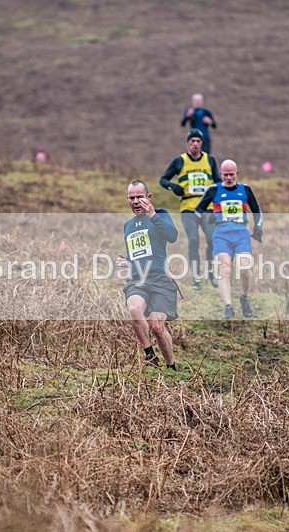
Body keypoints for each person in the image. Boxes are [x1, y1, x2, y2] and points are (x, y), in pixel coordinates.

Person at [116, 180, 179, 370]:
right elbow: (139, 254)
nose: (135, 201)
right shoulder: (128, 226)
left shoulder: (161, 215)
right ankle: (150, 355)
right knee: (134, 310)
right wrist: (128, 261)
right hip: (138, 280)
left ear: (148, 197)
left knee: (157, 327)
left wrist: (152, 214)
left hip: (160, 279)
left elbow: (172, 236)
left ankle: (171, 366)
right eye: (131, 198)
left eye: (139, 197)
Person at [195, 159, 262, 319]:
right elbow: (198, 210)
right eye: (225, 175)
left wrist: (258, 226)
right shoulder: (213, 189)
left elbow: (257, 210)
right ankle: (228, 306)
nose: (229, 178)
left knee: (245, 268)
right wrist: (208, 216)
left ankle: (244, 298)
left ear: (237, 173)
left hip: (241, 234)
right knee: (224, 269)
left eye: (232, 174)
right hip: (221, 234)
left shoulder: (245, 189)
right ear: (220, 174)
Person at [159, 129, 221, 290]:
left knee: (211, 239)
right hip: (188, 208)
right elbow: (163, 179)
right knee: (193, 240)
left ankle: (211, 273)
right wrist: (173, 186)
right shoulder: (180, 161)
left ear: (202, 143)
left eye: (198, 141)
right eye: (192, 141)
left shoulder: (210, 160)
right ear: (188, 143)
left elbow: (219, 183)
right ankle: (197, 279)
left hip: (207, 208)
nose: (195, 144)